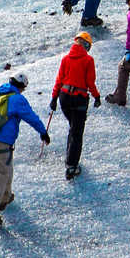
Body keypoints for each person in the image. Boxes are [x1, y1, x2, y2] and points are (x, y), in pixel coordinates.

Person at [0, 71, 50, 226]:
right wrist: (43, 132)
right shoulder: (17, 99)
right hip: (1, 140)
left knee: (7, 167)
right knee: (2, 172)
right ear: (22, 86)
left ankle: (5, 197)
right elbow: (31, 117)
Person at [50, 32, 102, 181]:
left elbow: (59, 80)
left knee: (73, 128)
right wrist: (97, 97)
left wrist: (54, 98)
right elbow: (90, 82)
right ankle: (71, 166)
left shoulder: (66, 59)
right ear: (86, 45)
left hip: (64, 98)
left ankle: (69, 158)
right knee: (77, 133)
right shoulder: (88, 60)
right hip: (79, 98)